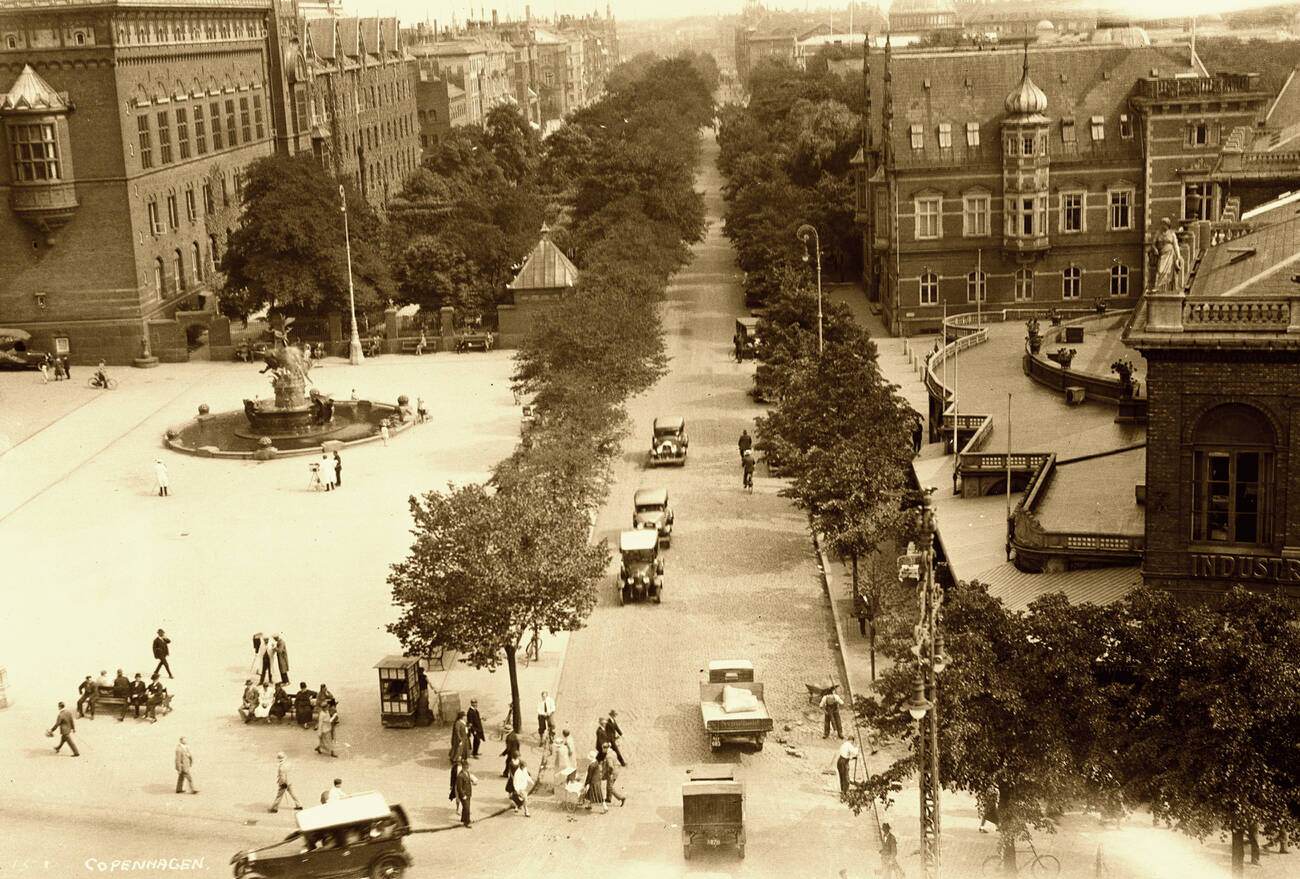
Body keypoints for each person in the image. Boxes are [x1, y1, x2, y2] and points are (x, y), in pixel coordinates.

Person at [1151, 217, 1186, 294]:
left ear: (1168, 225)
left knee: (1169, 273)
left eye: (1165, 224)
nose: (1163, 226)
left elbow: (1176, 245)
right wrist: (1155, 249)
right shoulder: (1158, 233)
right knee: (1160, 270)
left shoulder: (1172, 234)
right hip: (1162, 254)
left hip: (1170, 254)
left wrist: (1178, 257)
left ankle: (1168, 288)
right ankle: (1158, 286)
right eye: (1162, 224)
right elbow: (1153, 244)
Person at [454, 758, 475, 827]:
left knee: (465, 808)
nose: (467, 768)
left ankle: (463, 819)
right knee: (467, 808)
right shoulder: (460, 776)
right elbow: (459, 787)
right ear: (463, 767)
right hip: (464, 795)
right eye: (466, 767)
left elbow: (468, 782)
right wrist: (463, 795)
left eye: (467, 766)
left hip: (468, 793)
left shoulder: (467, 773)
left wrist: (473, 781)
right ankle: (467, 822)